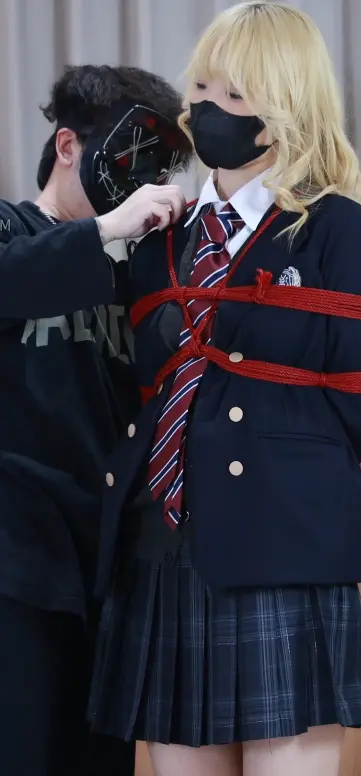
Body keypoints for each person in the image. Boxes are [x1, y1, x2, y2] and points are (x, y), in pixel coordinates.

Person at [88, 4, 361, 775]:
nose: (204, 108)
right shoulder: (157, 239)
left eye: (233, 93)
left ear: (286, 106)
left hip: (280, 541)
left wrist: (310, 482)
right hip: (160, 546)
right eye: (200, 87)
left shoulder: (338, 228)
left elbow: (360, 401)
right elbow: (141, 386)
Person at [0, 64, 191, 776]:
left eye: (159, 170)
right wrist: (107, 228)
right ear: (68, 146)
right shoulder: (12, 231)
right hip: (19, 555)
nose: (144, 184)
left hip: (109, 566)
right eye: (131, 161)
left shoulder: (138, 278)